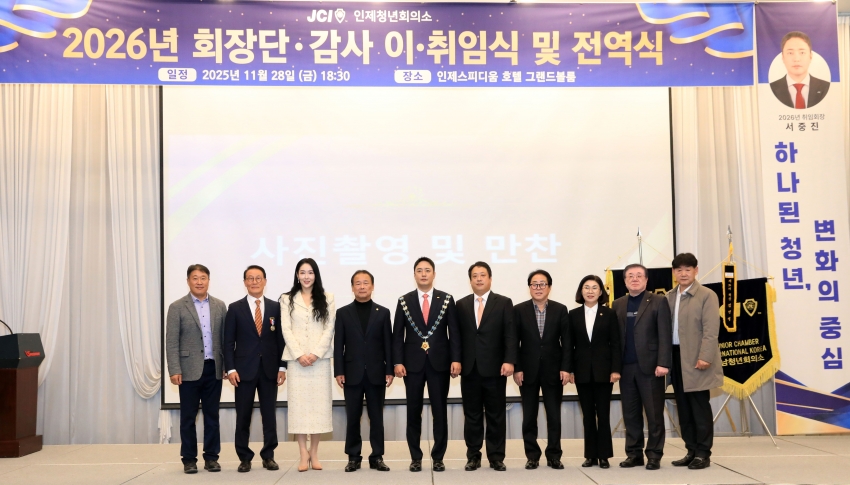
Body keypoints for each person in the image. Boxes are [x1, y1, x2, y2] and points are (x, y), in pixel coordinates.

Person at [392, 257, 461, 472]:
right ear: (414, 274)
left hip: (440, 363)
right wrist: (397, 361)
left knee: (439, 412)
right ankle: (415, 457)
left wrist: (456, 359)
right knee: (413, 412)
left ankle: (438, 457)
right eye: (419, 270)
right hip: (412, 365)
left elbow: (454, 332)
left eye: (427, 270)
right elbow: (397, 335)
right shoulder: (404, 300)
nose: (423, 274)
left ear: (434, 274)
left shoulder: (446, 299)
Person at [224, 265, 286, 473]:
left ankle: (268, 456)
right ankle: (244, 457)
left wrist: (282, 367)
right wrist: (230, 369)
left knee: (269, 416)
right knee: (243, 416)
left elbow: (281, 340)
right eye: (250, 278)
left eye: (258, 278)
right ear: (245, 282)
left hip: (269, 370)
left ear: (265, 281)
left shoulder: (276, 307)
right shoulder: (235, 308)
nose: (254, 282)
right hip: (243, 371)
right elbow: (228, 342)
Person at [166, 264, 227, 474]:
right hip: (188, 370)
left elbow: (224, 340)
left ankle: (211, 458)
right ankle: (189, 459)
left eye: (203, 278)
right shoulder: (177, 307)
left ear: (208, 280)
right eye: (195, 278)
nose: (199, 282)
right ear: (188, 281)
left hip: (213, 368)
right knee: (188, 418)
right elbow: (171, 341)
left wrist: (226, 366)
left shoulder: (220, 305)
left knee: (212, 417)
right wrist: (174, 369)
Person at [456, 262, 516, 472]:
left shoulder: (504, 302)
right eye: (475, 276)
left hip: (496, 368)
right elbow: (457, 337)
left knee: (495, 415)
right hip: (470, 369)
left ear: (490, 278)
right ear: (470, 280)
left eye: (483, 275)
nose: (479, 279)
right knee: (472, 415)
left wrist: (509, 360)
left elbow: (510, 334)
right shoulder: (461, 304)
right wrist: (456, 360)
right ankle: (473, 456)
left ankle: (496, 457)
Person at [611, 263, 672, 470]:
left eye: (639, 275)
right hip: (626, 368)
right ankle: (634, 454)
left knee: (654, 414)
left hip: (651, 367)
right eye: (630, 276)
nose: (634, 279)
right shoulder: (618, 304)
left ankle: (654, 455)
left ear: (646, 280)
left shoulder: (658, 301)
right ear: (625, 281)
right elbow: (615, 339)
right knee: (630, 414)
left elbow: (665, 334)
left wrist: (663, 362)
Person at [666, 253, 724, 470]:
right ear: (674, 273)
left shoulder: (707, 295)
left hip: (697, 358)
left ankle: (703, 453)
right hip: (675, 358)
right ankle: (690, 450)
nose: (683, 273)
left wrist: (705, 356)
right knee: (683, 408)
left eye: (688, 269)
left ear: (696, 271)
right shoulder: (669, 296)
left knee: (699, 408)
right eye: (679, 270)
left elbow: (711, 330)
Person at [279, 258, 335, 472]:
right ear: (297, 275)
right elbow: (286, 329)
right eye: (302, 272)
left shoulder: (328, 298)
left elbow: (329, 329)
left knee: (318, 407)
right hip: (297, 361)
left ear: (316, 275)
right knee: (299, 408)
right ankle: (303, 452)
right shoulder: (287, 299)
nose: (306, 276)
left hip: (319, 361)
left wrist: (315, 354)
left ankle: (315, 452)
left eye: (310, 272)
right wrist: (299, 354)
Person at [334, 270, 393, 473]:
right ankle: (353, 457)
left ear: (372, 286)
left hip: (377, 372)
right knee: (353, 417)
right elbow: (338, 345)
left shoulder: (383, 312)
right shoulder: (343, 313)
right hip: (352, 373)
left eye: (365, 283)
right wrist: (339, 370)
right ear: (352, 288)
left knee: (377, 417)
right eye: (357, 283)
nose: (362, 286)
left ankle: (377, 457)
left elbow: (388, 344)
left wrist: (389, 369)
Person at [513, 269, 570, 470]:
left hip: (553, 370)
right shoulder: (519, 310)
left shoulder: (560, 309)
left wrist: (566, 368)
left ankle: (554, 455)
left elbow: (567, 341)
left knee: (554, 415)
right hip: (527, 371)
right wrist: (517, 368)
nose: (538, 288)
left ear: (549, 287)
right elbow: (514, 342)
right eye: (534, 284)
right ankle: (532, 456)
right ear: (529, 287)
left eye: (542, 284)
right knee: (529, 416)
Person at [564, 275, 621, 469]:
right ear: (581, 291)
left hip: (604, 372)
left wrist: (615, 369)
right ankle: (590, 455)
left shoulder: (609, 313)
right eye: (586, 287)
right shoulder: (573, 315)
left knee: (603, 415)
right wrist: (570, 370)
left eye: (594, 287)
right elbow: (569, 345)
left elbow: (615, 343)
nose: (590, 291)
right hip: (581, 372)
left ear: (600, 292)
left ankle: (604, 456)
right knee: (588, 415)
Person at [769, 31, 829, 109]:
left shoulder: (826, 87)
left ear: (810, 56)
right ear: (783, 57)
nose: (796, 59)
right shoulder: (771, 88)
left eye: (802, 52)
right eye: (790, 53)